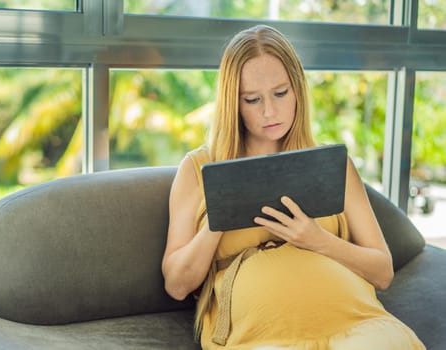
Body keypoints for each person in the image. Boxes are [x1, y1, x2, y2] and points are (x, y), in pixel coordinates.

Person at [161, 24, 426, 350]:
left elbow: (382, 272)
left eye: (281, 93)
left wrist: (318, 240)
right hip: (260, 337)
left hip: (357, 324)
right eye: (252, 99)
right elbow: (176, 285)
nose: (269, 111)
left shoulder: (334, 165)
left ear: (298, 89)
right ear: (233, 102)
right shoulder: (198, 168)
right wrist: (220, 214)